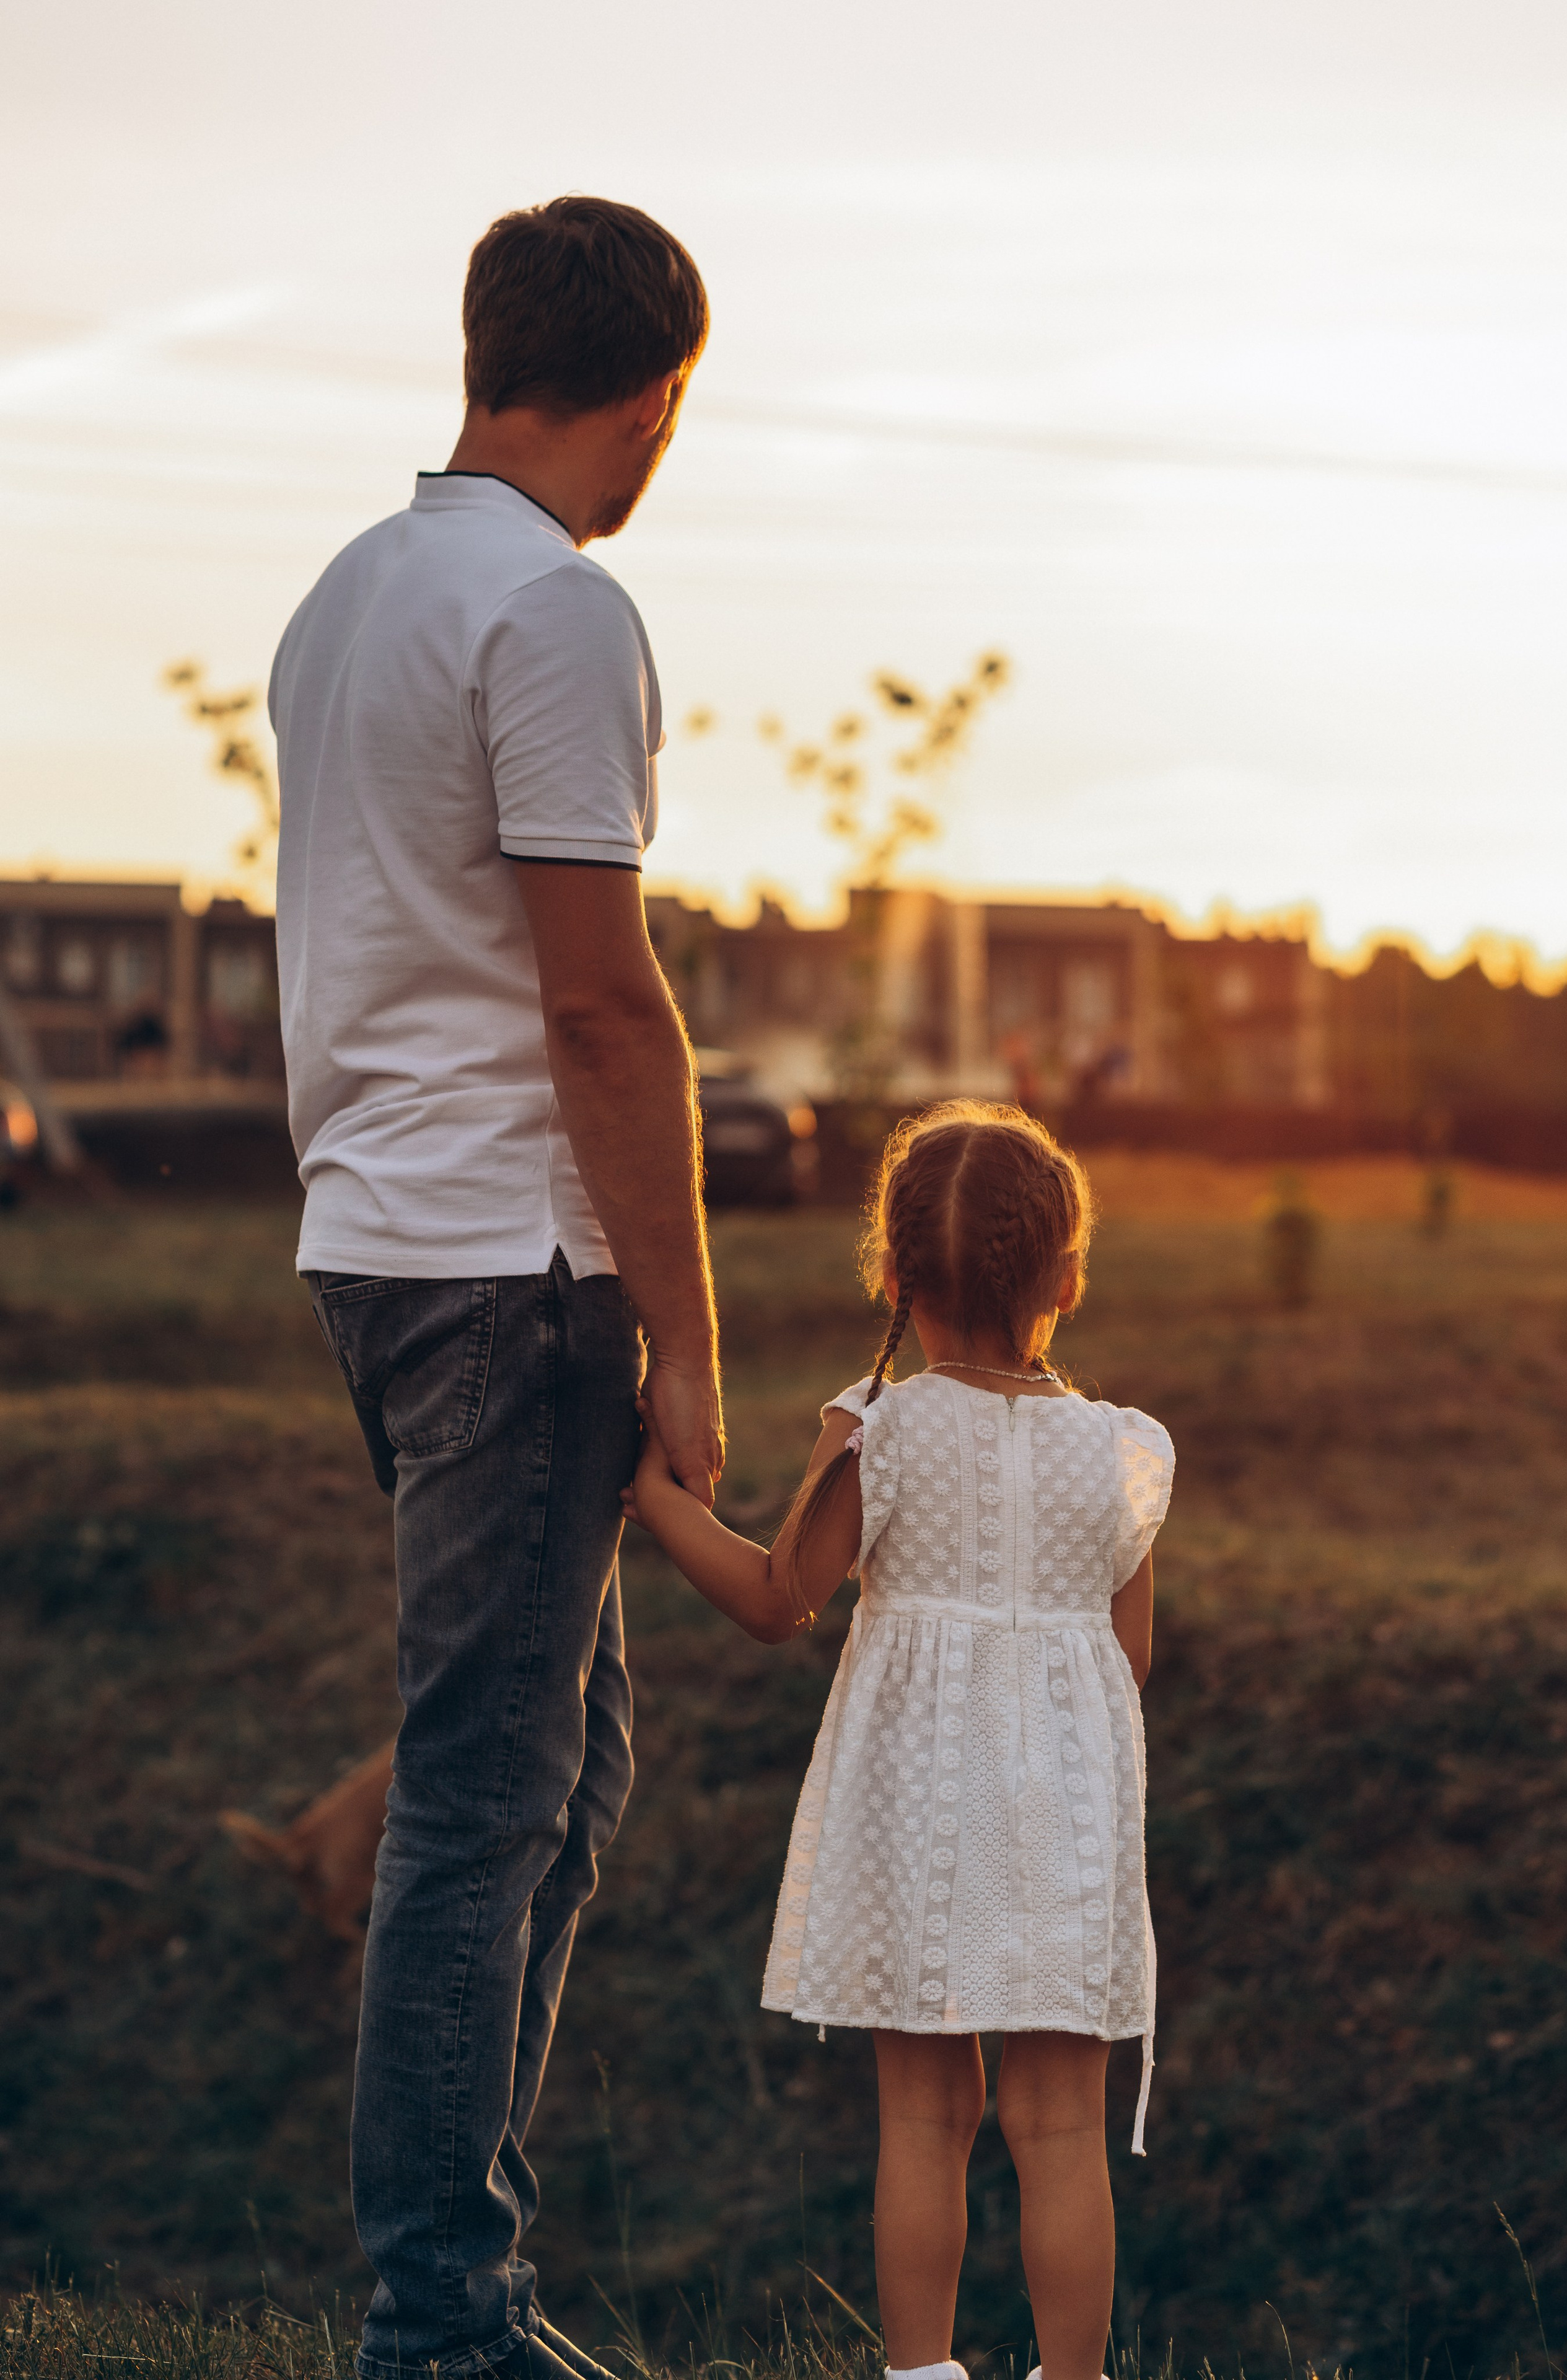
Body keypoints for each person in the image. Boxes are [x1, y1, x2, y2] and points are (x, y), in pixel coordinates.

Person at [268, 196, 722, 2380]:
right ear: (651, 400)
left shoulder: (346, 596)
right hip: (513, 1269)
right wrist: (692, 1339)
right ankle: (440, 2322)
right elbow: (602, 1009)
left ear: (483, 352)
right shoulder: (555, 610)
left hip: (372, 1249)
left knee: (562, 1762)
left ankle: (461, 2285)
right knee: (482, 1798)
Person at [623, 1101, 1174, 2380]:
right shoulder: (1122, 1452)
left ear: (889, 1271)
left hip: (919, 1806)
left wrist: (651, 1497)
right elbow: (1123, 1658)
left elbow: (778, 1599)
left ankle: (920, 2372)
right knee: (1057, 2123)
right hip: (1069, 1817)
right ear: (1067, 1278)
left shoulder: (880, 1427)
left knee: (926, 2113)